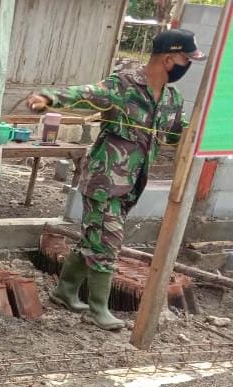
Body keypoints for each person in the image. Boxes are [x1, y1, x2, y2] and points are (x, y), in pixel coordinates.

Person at [27, 29, 202, 330]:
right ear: (170, 58)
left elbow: (176, 134)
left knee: (94, 238)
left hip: (132, 185)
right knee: (107, 244)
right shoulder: (123, 86)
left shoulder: (172, 98)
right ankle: (98, 309)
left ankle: (65, 292)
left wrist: (196, 131)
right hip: (104, 181)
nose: (189, 65)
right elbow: (86, 93)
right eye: (188, 58)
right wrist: (48, 98)